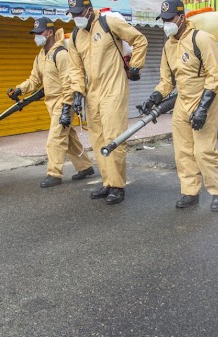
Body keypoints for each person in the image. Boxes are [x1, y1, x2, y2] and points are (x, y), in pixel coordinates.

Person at [140, 0, 218, 212]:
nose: (167, 24)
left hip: (205, 97)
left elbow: (214, 77)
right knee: (183, 151)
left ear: (182, 18)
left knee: (204, 150)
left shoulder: (202, 39)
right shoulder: (168, 46)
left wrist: (203, 109)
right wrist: (153, 98)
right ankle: (190, 191)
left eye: (170, 19)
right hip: (182, 102)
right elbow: (167, 81)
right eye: (164, 20)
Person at [66, 0, 148, 205]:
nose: (77, 17)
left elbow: (140, 39)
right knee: (98, 140)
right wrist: (77, 93)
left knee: (114, 138)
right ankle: (107, 181)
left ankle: (118, 186)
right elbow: (75, 68)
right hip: (92, 94)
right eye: (73, 13)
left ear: (88, 9)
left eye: (79, 12)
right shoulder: (76, 35)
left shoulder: (108, 23)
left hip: (114, 90)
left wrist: (136, 66)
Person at [8, 17, 94, 188]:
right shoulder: (41, 56)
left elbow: (69, 83)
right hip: (51, 103)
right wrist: (19, 89)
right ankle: (85, 167)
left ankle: (54, 173)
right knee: (68, 138)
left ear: (49, 33)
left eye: (39, 33)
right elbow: (34, 80)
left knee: (55, 139)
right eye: (34, 33)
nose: (36, 37)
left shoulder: (61, 54)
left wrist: (66, 108)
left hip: (63, 103)